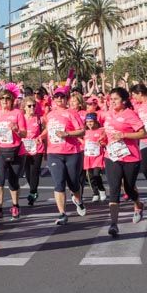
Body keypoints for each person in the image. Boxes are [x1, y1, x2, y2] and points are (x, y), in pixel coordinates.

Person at [101, 88, 147, 236]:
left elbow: (143, 133)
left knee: (128, 189)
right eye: (111, 99)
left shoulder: (130, 114)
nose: (112, 101)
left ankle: (138, 204)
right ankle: (114, 224)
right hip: (112, 157)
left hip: (130, 157)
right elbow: (107, 131)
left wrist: (124, 135)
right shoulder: (108, 114)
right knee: (114, 189)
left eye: (115, 99)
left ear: (124, 101)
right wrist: (103, 139)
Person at [43, 88, 87, 225]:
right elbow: (48, 130)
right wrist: (41, 137)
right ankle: (62, 213)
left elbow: (82, 131)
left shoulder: (72, 113)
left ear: (66, 98)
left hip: (72, 152)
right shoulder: (49, 115)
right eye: (56, 96)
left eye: (62, 96)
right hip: (54, 153)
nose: (59, 99)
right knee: (59, 183)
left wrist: (67, 134)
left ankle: (78, 200)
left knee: (73, 183)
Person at [0, 87, 25, 221]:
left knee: (13, 181)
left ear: (12, 100)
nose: (5, 100)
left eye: (7, 98)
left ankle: (15, 205)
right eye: (2, 98)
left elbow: (24, 133)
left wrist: (17, 130)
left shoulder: (18, 113)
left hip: (16, 150)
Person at [20, 95, 46, 207]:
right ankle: (33, 190)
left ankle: (33, 192)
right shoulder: (20, 118)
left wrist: (41, 138)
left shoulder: (39, 119)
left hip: (37, 148)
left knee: (34, 171)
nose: (32, 108)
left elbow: (45, 131)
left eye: (34, 106)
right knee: (27, 172)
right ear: (24, 107)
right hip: (24, 149)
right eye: (29, 106)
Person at [82, 114, 107, 202]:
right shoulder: (84, 132)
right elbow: (82, 141)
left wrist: (102, 143)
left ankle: (101, 190)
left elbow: (105, 142)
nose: (89, 123)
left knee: (96, 174)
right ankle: (95, 193)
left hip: (98, 156)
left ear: (96, 121)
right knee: (90, 176)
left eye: (91, 121)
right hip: (88, 157)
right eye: (88, 122)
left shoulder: (101, 130)